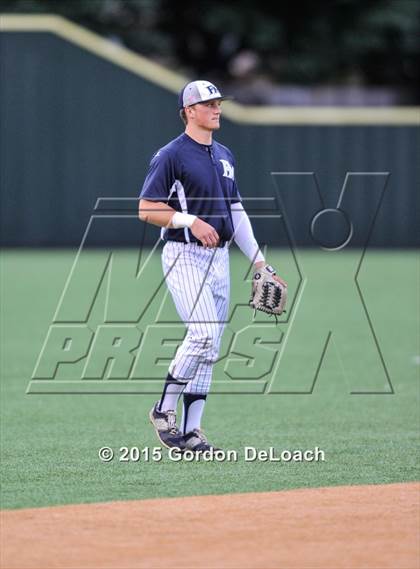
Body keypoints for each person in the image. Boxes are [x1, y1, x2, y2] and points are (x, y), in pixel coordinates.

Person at [138, 80, 286, 452]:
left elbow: (236, 212)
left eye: (218, 103)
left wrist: (260, 262)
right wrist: (190, 221)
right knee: (203, 334)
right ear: (189, 111)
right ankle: (162, 409)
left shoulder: (225, 155)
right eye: (209, 104)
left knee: (212, 346)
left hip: (219, 259)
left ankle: (192, 432)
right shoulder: (171, 154)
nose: (217, 109)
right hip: (184, 255)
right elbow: (147, 208)